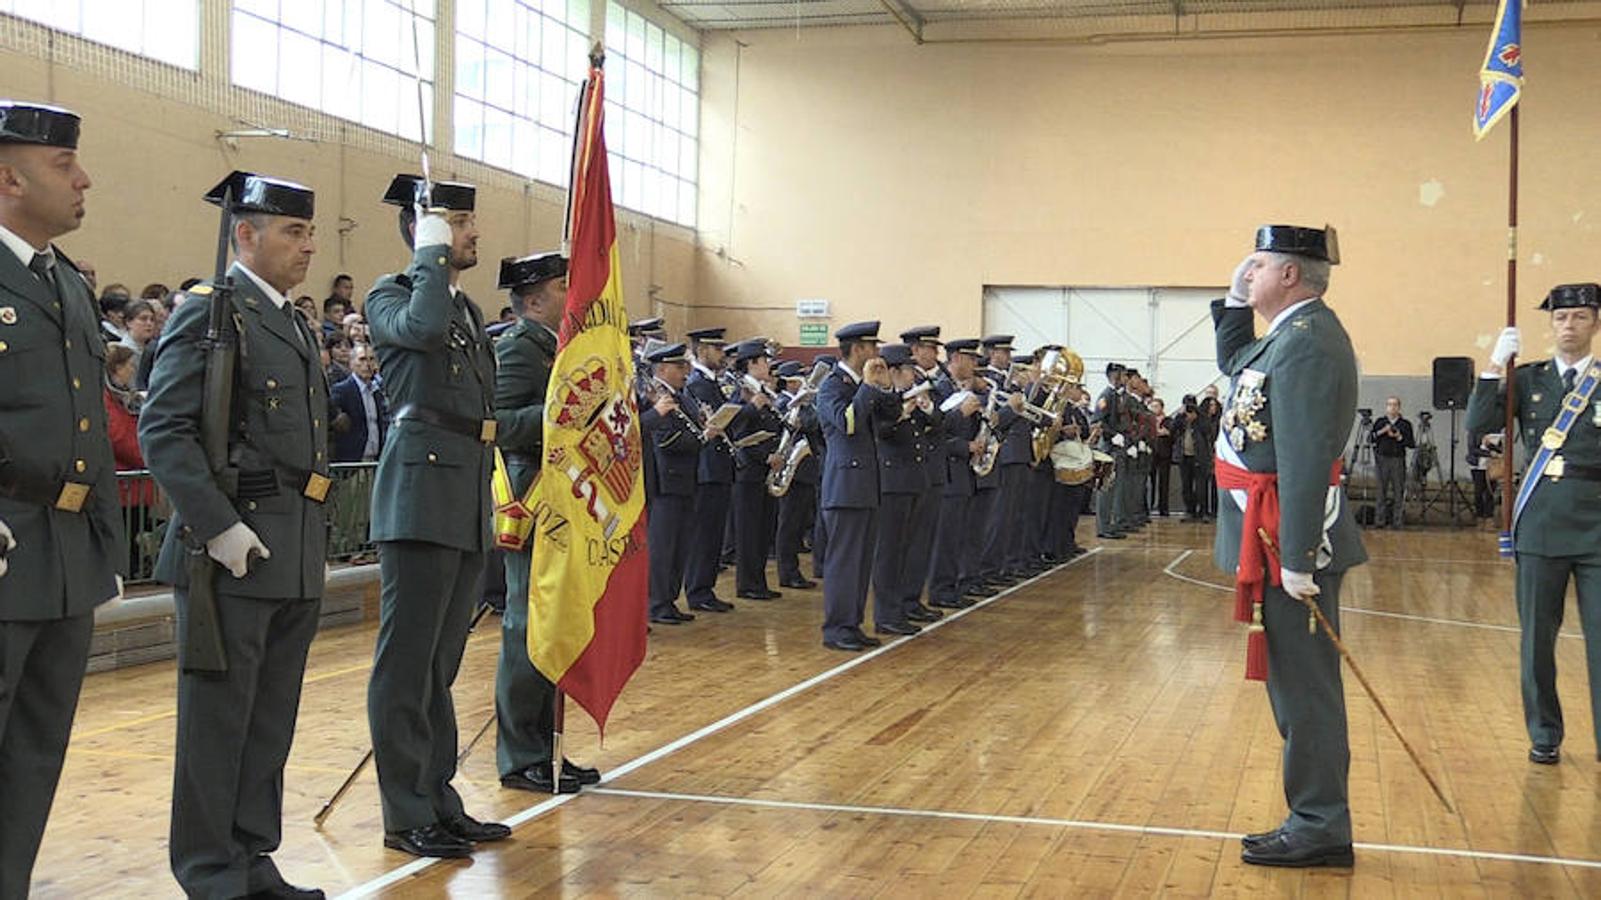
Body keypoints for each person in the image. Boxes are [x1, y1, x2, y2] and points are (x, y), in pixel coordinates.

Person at [137, 171, 330, 900]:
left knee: (268, 722)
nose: (307, 245)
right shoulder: (214, 313)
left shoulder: (287, 319)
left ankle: (251, 856)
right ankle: (211, 869)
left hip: (293, 551)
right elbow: (166, 428)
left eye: (309, 231)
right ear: (244, 235)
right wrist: (217, 526)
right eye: (292, 231)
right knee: (219, 724)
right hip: (236, 553)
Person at [0, 101, 124, 899]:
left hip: (65, 552)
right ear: (7, 177)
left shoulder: (63, 284)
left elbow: (91, 419)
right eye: (60, 164)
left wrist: (103, 545)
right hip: (7, 541)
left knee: (35, 752)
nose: (81, 180)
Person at [364, 174, 508, 858]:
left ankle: (438, 796)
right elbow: (417, 332)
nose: (473, 232)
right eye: (457, 221)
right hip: (419, 495)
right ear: (424, 232)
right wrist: (428, 256)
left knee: (440, 666)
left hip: (464, 493)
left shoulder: (468, 309)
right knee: (406, 664)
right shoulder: (393, 294)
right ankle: (404, 810)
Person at [1213, 225, 1365, 869]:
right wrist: (1231, 300)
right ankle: (1313, 817)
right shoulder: (1288, 335)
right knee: (1294, 688)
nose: (1251, 273)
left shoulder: (1307, 345)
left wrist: (1299, 557)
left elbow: (1305, 458)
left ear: (1291, 276)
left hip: (1285, 541)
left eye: (1261, 266)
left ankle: (1321, 823)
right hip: (1272, 536)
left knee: (1306, 693)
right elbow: (1235, 366)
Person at [1467, 282, 1601, 766]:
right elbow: (1477, 424)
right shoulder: (1528, 379)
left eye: (1581, 317)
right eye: (1562, 318)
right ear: (1551, 325)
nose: (1570, 326)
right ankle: (1545, 733)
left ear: (1595, 324)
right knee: (1536, 640)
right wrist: (1491, 368)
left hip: (1597, 524)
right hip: (1542, 521)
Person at [487, 251, 602, 795]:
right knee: (524, 628)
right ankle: (520, 753)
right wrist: (559, 416)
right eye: (561, 287)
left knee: (555, 626)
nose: (570, 295)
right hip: (530, 501)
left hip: (563, 497)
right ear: (533, 299)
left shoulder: (559, 350)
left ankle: (549, 746)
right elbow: (499, 424)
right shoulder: (517, 350)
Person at [816, 321, 899, 651]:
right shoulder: (831, 386)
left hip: (866, 484)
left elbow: (890, 419)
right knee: (844, 562)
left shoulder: (861, 385)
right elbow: (848, 423)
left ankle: (852, 623)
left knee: (862, 561)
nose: (877, 353)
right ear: (858, 350)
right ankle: (836, 627)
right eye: (872, 347)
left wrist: (887, 389)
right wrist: (867, 388)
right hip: (845, 486)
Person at [644, 343, 716, 624]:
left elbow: (692, 424)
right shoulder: (655, 396)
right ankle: (657, 602)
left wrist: (705, 427)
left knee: (680, 545)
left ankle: (669, 599)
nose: (685, 372)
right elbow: (665, 439)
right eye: (678, 367)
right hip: (667, 480)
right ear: (662, 369)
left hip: (687, 477)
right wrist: (702, 438)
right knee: (664, 546)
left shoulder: (681, 397)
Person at [870, 343, 933, 636]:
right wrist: (902, 413)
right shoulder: (883, 400)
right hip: (892, 482)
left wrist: (922, 407)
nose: (913, 375)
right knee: (889, 552)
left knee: (906, 549)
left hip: (913, 481)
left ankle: (902, 605)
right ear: (893, 372)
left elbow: (934, 427)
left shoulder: (907, 398)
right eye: (909, 370)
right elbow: (880, 432)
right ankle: (885, 614)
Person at [928, 339, 986, 608]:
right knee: (946, 537)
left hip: (963, 473)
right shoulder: (938, 389)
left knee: (959, 535)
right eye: (969, 358)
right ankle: (940, 589)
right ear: (955, 359)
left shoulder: (960, 389)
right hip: (948, 471)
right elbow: (933, 435)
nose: (974, 364)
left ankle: (955, 583)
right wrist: (966, 446)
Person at [682, 326, 736, 614]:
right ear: (702, 350)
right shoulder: (697, 383)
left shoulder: (712, 382)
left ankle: (705, 586)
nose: (722, 354)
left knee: (714, 532)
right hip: (707, 467)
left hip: (719, 466)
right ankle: (698, 589)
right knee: (704, 533)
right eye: (717, 349)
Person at [329, 343, 387, 463]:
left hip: (376, 462)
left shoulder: (378, 392)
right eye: (362, 359)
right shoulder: (341, 390)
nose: (367, 364)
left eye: (371, 359)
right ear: (351, 363)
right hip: (351, 463)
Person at [1370, 396, 1414, 528]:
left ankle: (1398, 521)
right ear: (1386, 407)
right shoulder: (1380, 422)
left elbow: (1411, 443)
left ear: (1399, 407)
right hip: (1382, 459)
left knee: (1398, 491)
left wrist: (1399, 436)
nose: (1392, 407)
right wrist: (1382, 431)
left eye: (1395, 405)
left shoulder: (1405, 424)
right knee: (1381, 491)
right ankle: (1379, 520)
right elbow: (1371, 438)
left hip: (1397, 460)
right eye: (1389, 404)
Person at [1149, 397, 1173, 516]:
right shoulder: (1148, 420)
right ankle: (1149, 505)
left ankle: (1163, 508)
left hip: (1164, 454)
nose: (1154, 409)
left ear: (1162, 408)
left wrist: (1166, 432)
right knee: (1150, 481)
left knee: (1164, 482)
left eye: (1156, 406)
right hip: (1151, 453)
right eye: (1152, 406)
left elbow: (1171, 433)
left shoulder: (1168, 420)